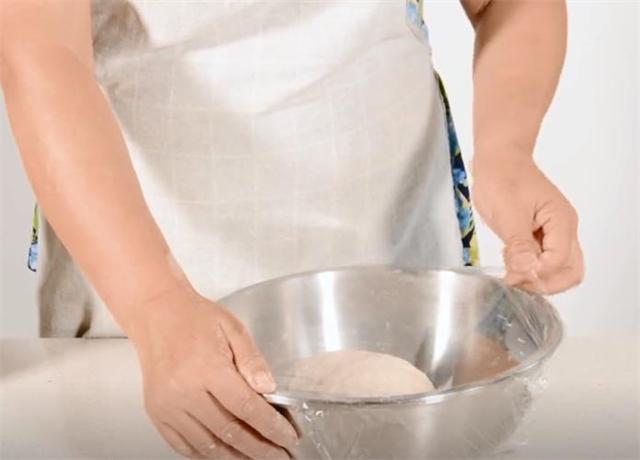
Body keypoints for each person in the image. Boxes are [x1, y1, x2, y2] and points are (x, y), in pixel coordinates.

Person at [0, 0, 583, 458]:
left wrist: (508, 152)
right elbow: (39, 48)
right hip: (145, 301)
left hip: (403, 283)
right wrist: (154, 301)